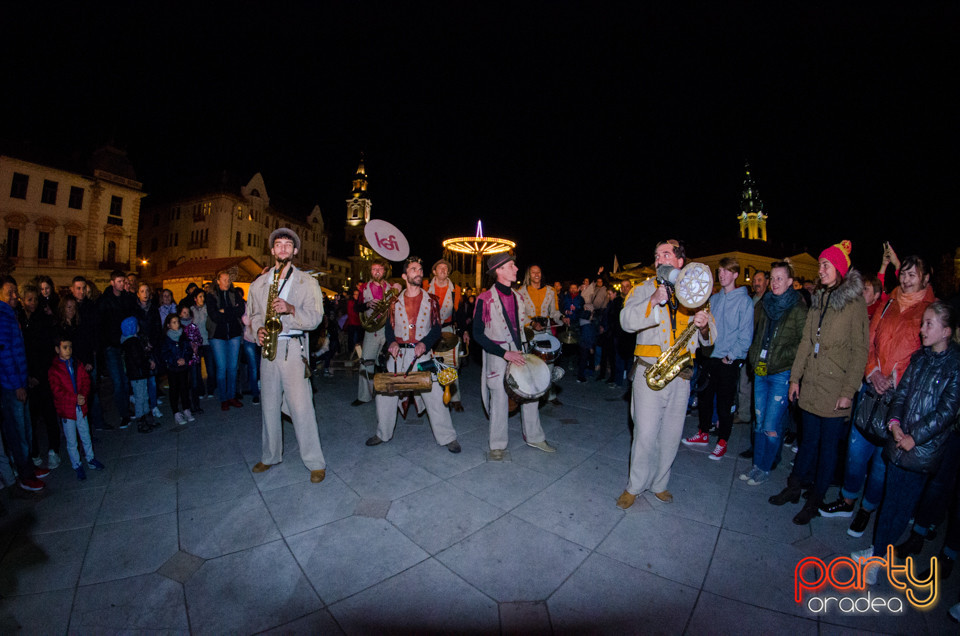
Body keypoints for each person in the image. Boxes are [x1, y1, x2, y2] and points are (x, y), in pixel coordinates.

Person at [820, 255, 935, 536]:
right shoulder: (889, 303)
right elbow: (867, 342)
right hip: (872, 389)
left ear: (925, 278)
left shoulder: (930, 310)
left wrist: (899, 382)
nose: (906, 279)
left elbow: (928, 358)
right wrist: (872, 372)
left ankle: (867, 509)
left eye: (913, 275)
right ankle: (847, 499)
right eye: (904, 274)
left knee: (882, 461)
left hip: (901, 399)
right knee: (856, 452)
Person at [851, 301, 960, 586]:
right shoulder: (920, 358)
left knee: (901, 507)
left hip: (921, 450)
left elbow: (946, 412)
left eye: (928, 324)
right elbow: (901, 394)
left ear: (946, 331)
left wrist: (915, 436)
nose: (921, 329)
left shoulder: (955, 366)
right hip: (899, 440)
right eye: (922, 322)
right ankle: (876, 552)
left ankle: (877, 559)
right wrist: (894, 423)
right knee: (889, 501)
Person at [769, 240, 869, 525]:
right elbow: (806, 342)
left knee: (828, 449)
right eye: (820, 265)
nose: (820, 269)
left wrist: (848, 392)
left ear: (838, 269)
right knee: (807, 441)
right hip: (811, 384)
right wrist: (794, 379)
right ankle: (794, 486)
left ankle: (814, 501)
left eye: (825, 265)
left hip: (836, 388)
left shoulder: (854, 302)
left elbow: (860, 350)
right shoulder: (819, 297)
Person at [616, 240, 715, 509]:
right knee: (645, 435)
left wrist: (704, 327)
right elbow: (625, 321)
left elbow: (710, 339)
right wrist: (653, 300)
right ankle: (634, 487)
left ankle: (660, 484)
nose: (660, 259)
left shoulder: (695, 293)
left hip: (681, 376)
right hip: (649, 373)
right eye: (656, 255)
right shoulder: (642, 289)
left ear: (680, 261)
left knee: (671, 436)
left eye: (666, 254)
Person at [249, 228, 327, 483]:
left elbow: (315, 319)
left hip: (293, 348)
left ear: (295, 251)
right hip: (268, 351)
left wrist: (291, 309)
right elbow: (253, 316)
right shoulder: (258, 283)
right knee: (269, 406)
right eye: (278, 245)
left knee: (302, 407)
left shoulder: (308, 282)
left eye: (287, 245)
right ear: (272, 250)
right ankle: (270, 455)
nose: (282, 248)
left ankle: (315, 462)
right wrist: (258, 329)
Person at [366, 256, 461, 452]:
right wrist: (391, 341)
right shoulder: (394, 301)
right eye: (414, 269)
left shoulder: (432, 301)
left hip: (423, 355)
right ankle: (382, 433)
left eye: (420, 269)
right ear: (404, 275)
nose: (418, 272)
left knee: (435, 394)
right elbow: (389, 328)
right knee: (385, 394)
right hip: (398, 355)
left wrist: (425, 344)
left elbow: (436, 329)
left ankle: (447, 437)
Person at [473, 253, 556, 460]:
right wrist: (504, 353)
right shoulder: (484, 299)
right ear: (499, 270)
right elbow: (477, 334)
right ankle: (498, 445)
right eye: (511, 266)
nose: (517, 269)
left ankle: (535, 437)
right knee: (499, 399)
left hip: (520, 352)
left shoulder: (519, 297)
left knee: (531, 394)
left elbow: (520, 328)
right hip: (497, 354)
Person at [739, 262, 806, 485]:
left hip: (781, 374)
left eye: (780, 278)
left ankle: (765, 468)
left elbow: (803, 343)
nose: (775, 282)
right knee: (759, 421)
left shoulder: (797, 308)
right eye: (773, 278)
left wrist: (778, 356)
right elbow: (759, 336)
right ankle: (756, 465)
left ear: (789, 282)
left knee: (771, 425)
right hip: (761, 370)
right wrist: (753, 357)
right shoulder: (767, 303)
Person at [683, 257, 754, 460]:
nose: (721, 275)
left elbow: (745, 335)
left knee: (724, 404)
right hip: (710, 357)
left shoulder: (744, 301)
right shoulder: (714, 299)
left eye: (726, 271)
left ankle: (722, 440)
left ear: (735, 274)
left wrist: (731, 357)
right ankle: (703, 433)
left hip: (728, 360)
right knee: (704, 398)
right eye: (720, 271)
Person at [0, 276, 49, 491]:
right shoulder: (2, 316)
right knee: (18, 431)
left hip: (20, 380)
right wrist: (17, 384)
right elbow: (5, 354)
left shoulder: (11, 314)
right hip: (11, 386)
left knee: (26, 427)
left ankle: (28, 466)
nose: (14, 296)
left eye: (14, 292)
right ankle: (25, 475)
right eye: (9, 292)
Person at [48, 333, 105, 480]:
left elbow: (86, 381)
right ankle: (77, 464)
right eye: (64, 347)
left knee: (85, 434)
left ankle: (90, 458)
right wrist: (74, 398)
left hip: (81, 407)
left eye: (70, 347)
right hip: (67, 410)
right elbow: (57, 391)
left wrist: (83, 396)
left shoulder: (76, 364)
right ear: (57, 349)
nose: (68, 350)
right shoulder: (54, 370)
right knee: (72, 440)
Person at [19, 285, 60, 469]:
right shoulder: (18, 319)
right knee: (30, 418)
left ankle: (54, 450)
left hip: (42, 375)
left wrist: (38, 374)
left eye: (35, 299)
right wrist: (27, 375)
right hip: (25, 377)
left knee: (49, 413)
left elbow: (46, 350)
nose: (33, 303)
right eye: (29, 299)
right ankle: (34, 452)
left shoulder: (42, 320)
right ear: (22, 300)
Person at [424, 258, 467, 411]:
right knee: (428, 364)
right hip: (428, 330)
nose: (443, 270)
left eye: (445, 268)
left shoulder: (455, 289)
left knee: (451, 364)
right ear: (434, 272)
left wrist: (464, 331)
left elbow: (460, 313)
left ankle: (455, 398)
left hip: (447, 329)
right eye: (439, 268)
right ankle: (431, 398)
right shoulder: (424, 286)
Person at [518, 264, 565, 403]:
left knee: (549, 363)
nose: (536, 275)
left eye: (538, 272)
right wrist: (532, 323)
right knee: (531, 364)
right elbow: (520, 314)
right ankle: (531, 394)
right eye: (533, 273)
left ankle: (550, 394)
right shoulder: (521, 291)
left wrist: (562, 318)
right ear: (529, 275)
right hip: (529, 331)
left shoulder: (551, 291)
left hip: (546, 331)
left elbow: (554, 312)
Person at [354, 260, 398, 406]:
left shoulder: (391, 287)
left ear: (384, 272)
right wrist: (367, 304)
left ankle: (390, 394)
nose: (377, 271)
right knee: (366, 362)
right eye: (374, 269)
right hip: (371, 330)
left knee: (389, 363)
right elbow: (356, 308)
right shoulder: (364, 287)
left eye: (380, 269)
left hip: (388, 330)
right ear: (370, 271)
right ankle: (364, 396)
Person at [96, 270, 136, 428]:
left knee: (125, 380)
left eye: (123, 281)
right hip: (111, 346)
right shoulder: (104, 301)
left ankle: (126, 409)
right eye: (119, 281)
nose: (122, 284)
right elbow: (100, 325)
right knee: (118, 381)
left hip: (125, 344)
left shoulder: (127, 299)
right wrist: (104, 346)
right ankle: (124, 414)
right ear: (112, 283)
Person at [736, 270, 770, 429]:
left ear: (767, 282)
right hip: (747, 348)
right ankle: (744, 414)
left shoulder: (768, 301)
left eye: (760, 280)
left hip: (761, 351)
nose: (756, 283)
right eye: (755, 280)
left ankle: (759, 419)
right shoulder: (751, 299)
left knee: (759, 386)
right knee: (744, 383)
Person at [207, 270, 244, 411]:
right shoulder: (211, 296)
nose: (227, 282)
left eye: (228, 280)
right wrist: (230, 311)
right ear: (218, 281)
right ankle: (224, 398)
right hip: (217, 336)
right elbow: (214, 315)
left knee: (233, 368)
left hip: (234, 334)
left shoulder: (234, 294)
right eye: (224, 280)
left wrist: (224, 311)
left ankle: (231, 396)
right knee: (222, 368)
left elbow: (240, 310)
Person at [132, 283, 163, 420]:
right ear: (138, 294)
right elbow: (134, 329)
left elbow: (157, 328)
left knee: (152, 379)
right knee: (141, 381)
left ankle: (153, 405)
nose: (144, 294)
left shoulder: (154, 309)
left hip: (152, 347)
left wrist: (152, 343)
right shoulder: (134, 310)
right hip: (139, 348)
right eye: (142, 291)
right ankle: (143, 408)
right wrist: (142, 344)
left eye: (147, 291)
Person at [120, 316, 157, 432]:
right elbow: (138, 359)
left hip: (138, 374)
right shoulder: (132, 342)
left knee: (143, 396)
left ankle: (147, 419)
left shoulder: (130, 342)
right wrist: (147, 363)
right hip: (138, 374)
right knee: (140, 398)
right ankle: (141, 421)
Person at [160, 313, 195, 425]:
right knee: (174, 389)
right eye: (174, 322)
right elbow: (165, 354)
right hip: (172, 369)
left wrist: (185, 359)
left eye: (177, 322)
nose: (177, 324)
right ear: (169, 325)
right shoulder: (166, 339)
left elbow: (188, 349)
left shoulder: (183, 336)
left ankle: (186, 409)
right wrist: (174, 361)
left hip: (183, 367)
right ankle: (176, 412)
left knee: (184, 388)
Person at [179, 304, 206, 414]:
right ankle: (187, 406)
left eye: (187, 312)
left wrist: (196, 344)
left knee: (194, 383)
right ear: (180, 314)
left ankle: (196, 405)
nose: (186, 315)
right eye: (184, 312)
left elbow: (200, 338)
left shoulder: (193, 327)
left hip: (193, 359)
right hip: (183, 359)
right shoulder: (179, 328)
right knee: (185, 384)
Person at [190, 289, 216, 399]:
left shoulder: (207, 308)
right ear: (195, 298)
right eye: (200, 296)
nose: (202, 299)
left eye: (203, 296)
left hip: (207, 341)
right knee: (197, 369)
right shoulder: (191, 310)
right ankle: (200, 390)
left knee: (210, 368)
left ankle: (210, 389)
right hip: (196, 344)